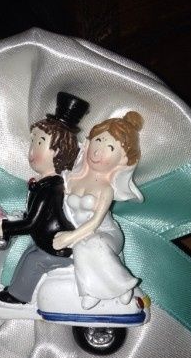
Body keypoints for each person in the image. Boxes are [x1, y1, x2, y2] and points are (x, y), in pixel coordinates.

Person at [0, 92, 89, 304]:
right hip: (47, 241)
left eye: (40, 143)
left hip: (57, 247)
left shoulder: (51, 188)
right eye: (33, 142)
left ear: (58, 152)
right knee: (29, 254)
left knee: (34, 261)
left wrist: (5, 228)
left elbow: (33, 222)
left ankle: (19, 296)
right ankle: (15, 290)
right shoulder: (44, 183)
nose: (32, 150)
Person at [53, 111, 144, 309]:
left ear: (122, 160)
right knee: (81, 246)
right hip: (81, 236)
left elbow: (95, 223)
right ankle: (89, 291)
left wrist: (69, 237)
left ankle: (124, 286)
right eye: (98, 140)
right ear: (88, 142)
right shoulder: (71, 178)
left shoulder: (106, 188)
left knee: (93, 242)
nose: (98, 151)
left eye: (110, 147)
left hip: (106, 233)